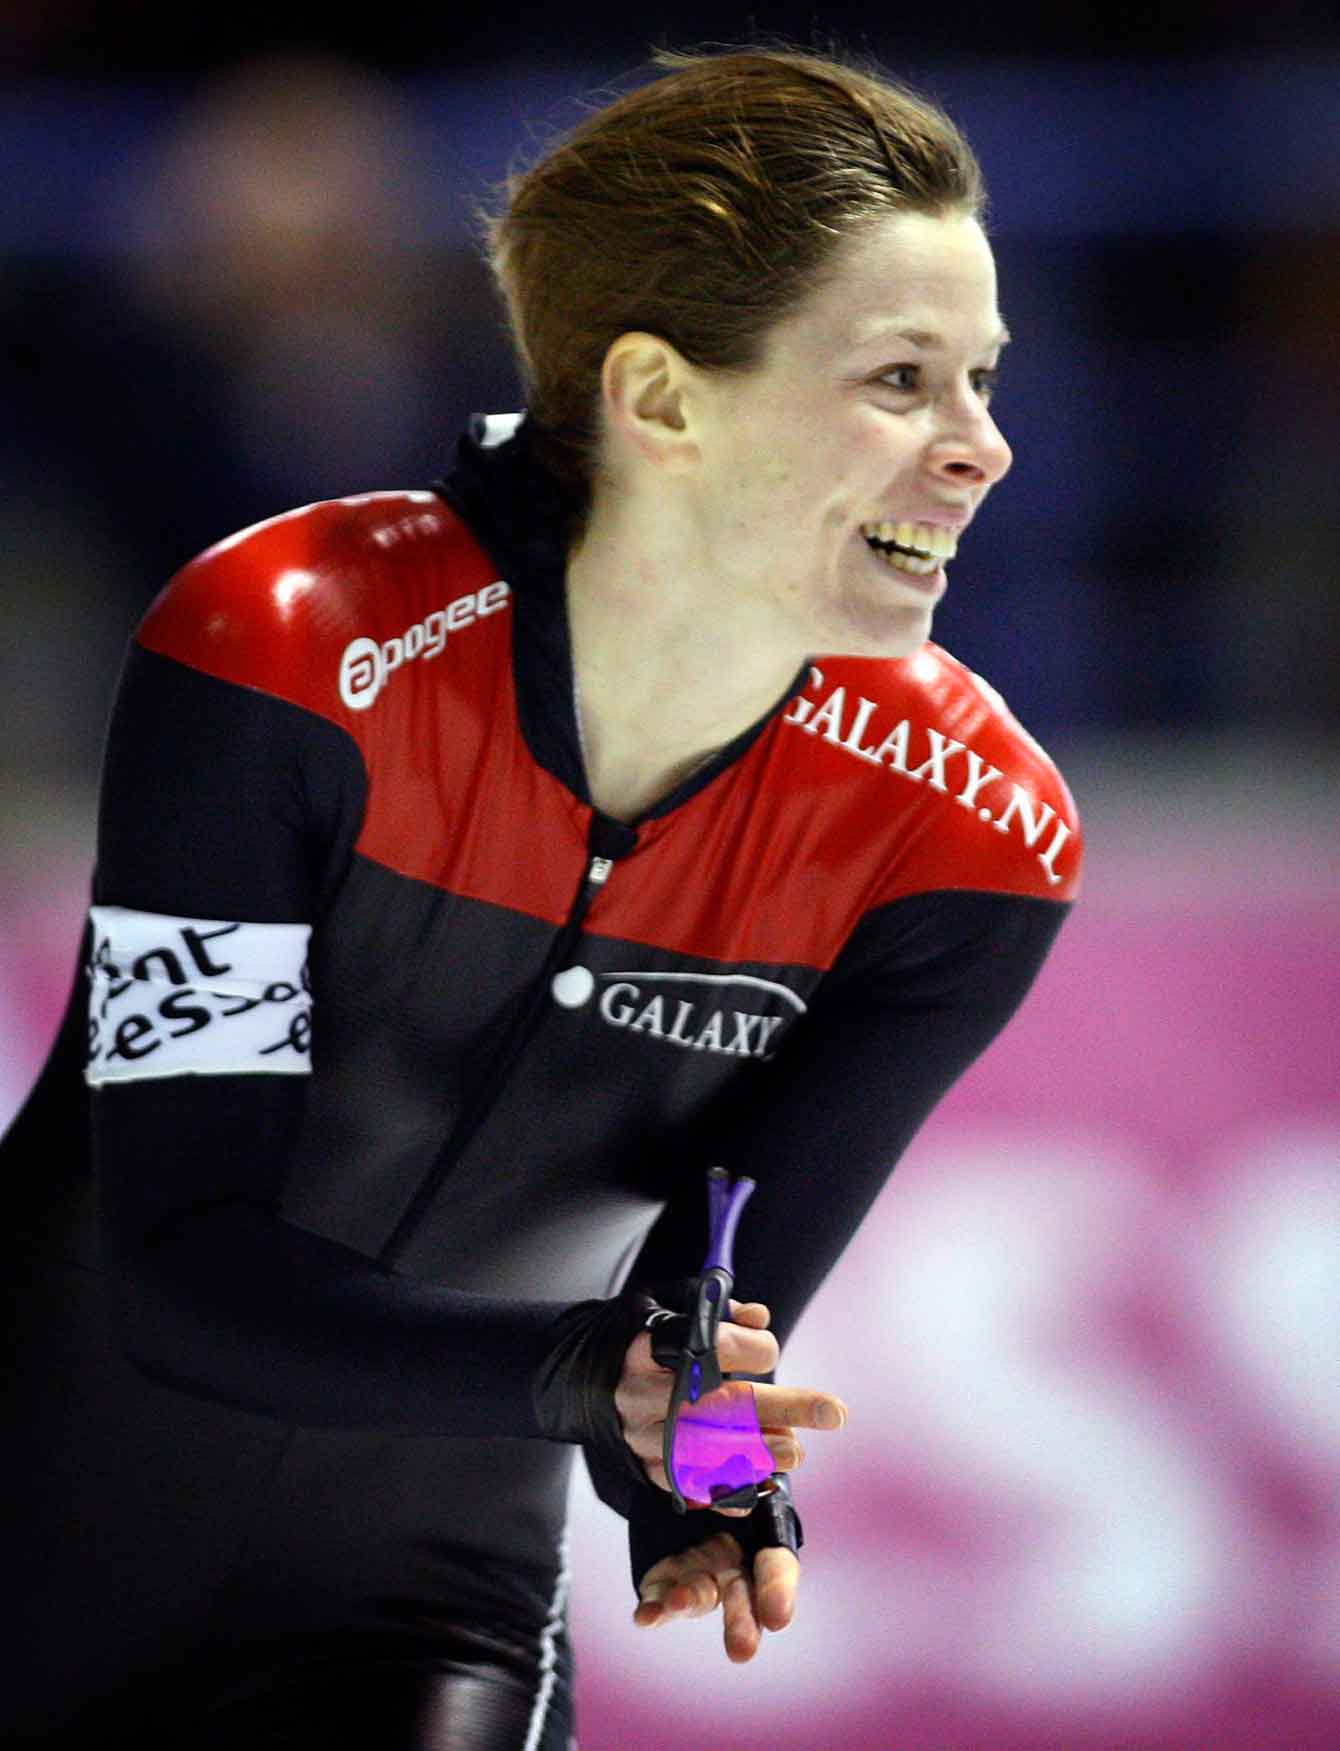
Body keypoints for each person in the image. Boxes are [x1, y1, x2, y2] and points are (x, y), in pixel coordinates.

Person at [3, 45, 1082, 1751]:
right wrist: (596, 1382)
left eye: (985, 382)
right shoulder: (293, 643)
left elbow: (714, 1311)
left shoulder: (969, 836)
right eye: (902, 381)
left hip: (422, 1618)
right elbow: (180, 1266)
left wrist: (706, 1487)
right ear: (660, 402)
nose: (983, 452)